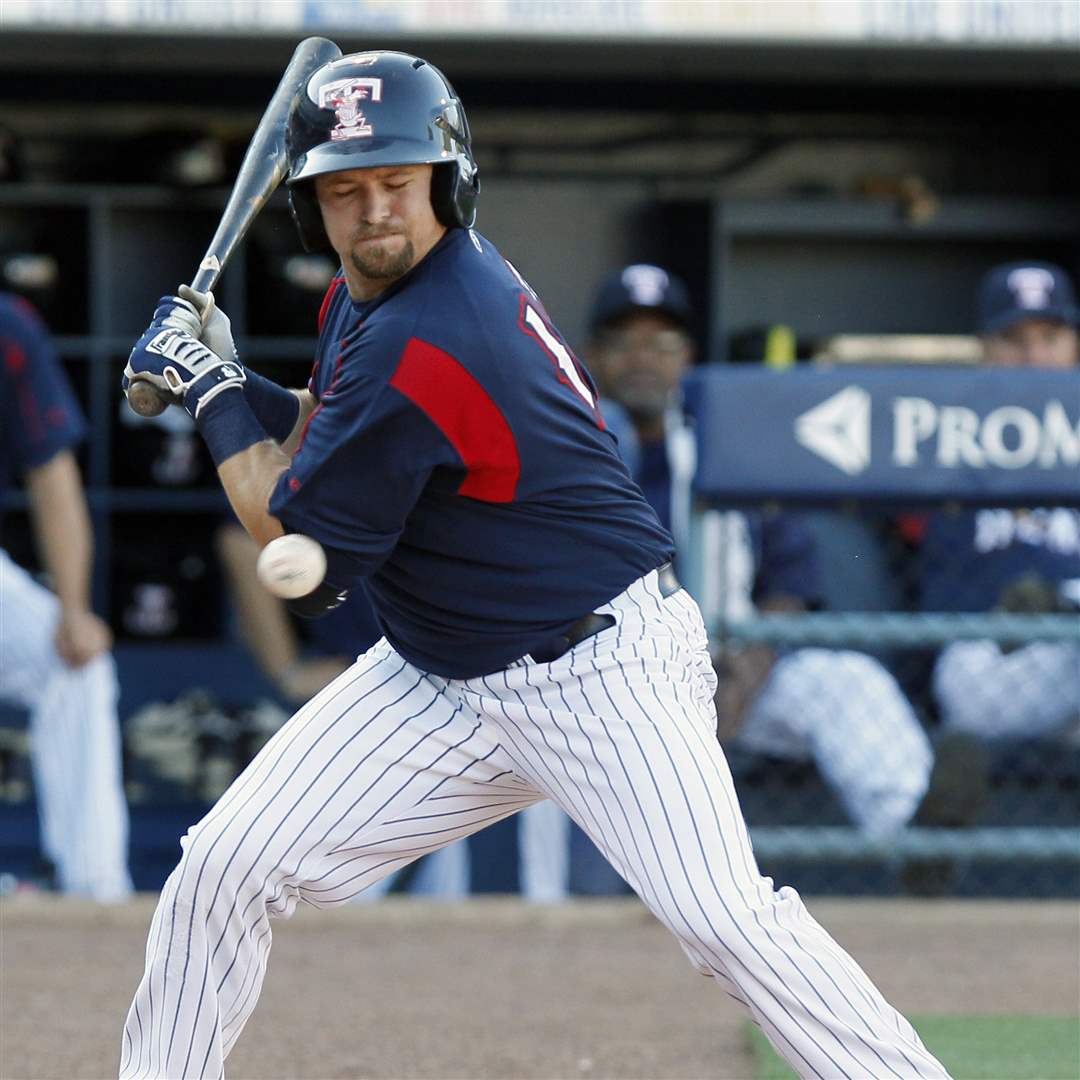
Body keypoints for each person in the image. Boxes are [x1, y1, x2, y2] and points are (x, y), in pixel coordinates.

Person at [117, 51, 948, 1080]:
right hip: (442, 674)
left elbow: (304, 559)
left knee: (726, 923)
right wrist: (233, 379)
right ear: (313, 207)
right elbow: (339, 428)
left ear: (445, 181)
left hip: (603, 672)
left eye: (397, 182)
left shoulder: (435, 329)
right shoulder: (369, 305)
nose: (375, 211)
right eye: (345, 189)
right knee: (223, 870)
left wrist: (206, 392)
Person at [583, 264, 959, 843]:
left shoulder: (730, 451)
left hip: (732, 672)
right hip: (608, 685)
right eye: (624, 342)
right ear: (593, 356)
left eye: (662, 342)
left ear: (687, 356)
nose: (642, 359)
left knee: (846, 681)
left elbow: (793, 580)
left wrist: (745, 676)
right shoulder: (570, 459)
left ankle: (914, 837)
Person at [216, 520, 569, 900]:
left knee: (507, 895)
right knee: (341, 902)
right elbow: (241, 538)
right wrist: (288, 669)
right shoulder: (319, 470)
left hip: (486, 684)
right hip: (370, 693)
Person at [0, 290, 131, 901]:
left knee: (73, 662)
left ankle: (92, 894)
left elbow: (51, 471)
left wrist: (74, 610)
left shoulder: (8, 327)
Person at [920, 261, 1080, 741]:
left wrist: (1062, 603)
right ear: (984, 350)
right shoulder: (941, 439)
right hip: (989, 663)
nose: (1034, 358)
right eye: (1014, 340)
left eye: (1050, 339)